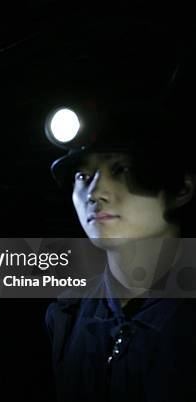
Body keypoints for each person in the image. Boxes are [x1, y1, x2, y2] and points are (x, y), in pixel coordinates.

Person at [45, 100, 196, 401]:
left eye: (121, 169)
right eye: (82, 176)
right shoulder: (66, 316)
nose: (95, 193)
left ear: (180, 189)